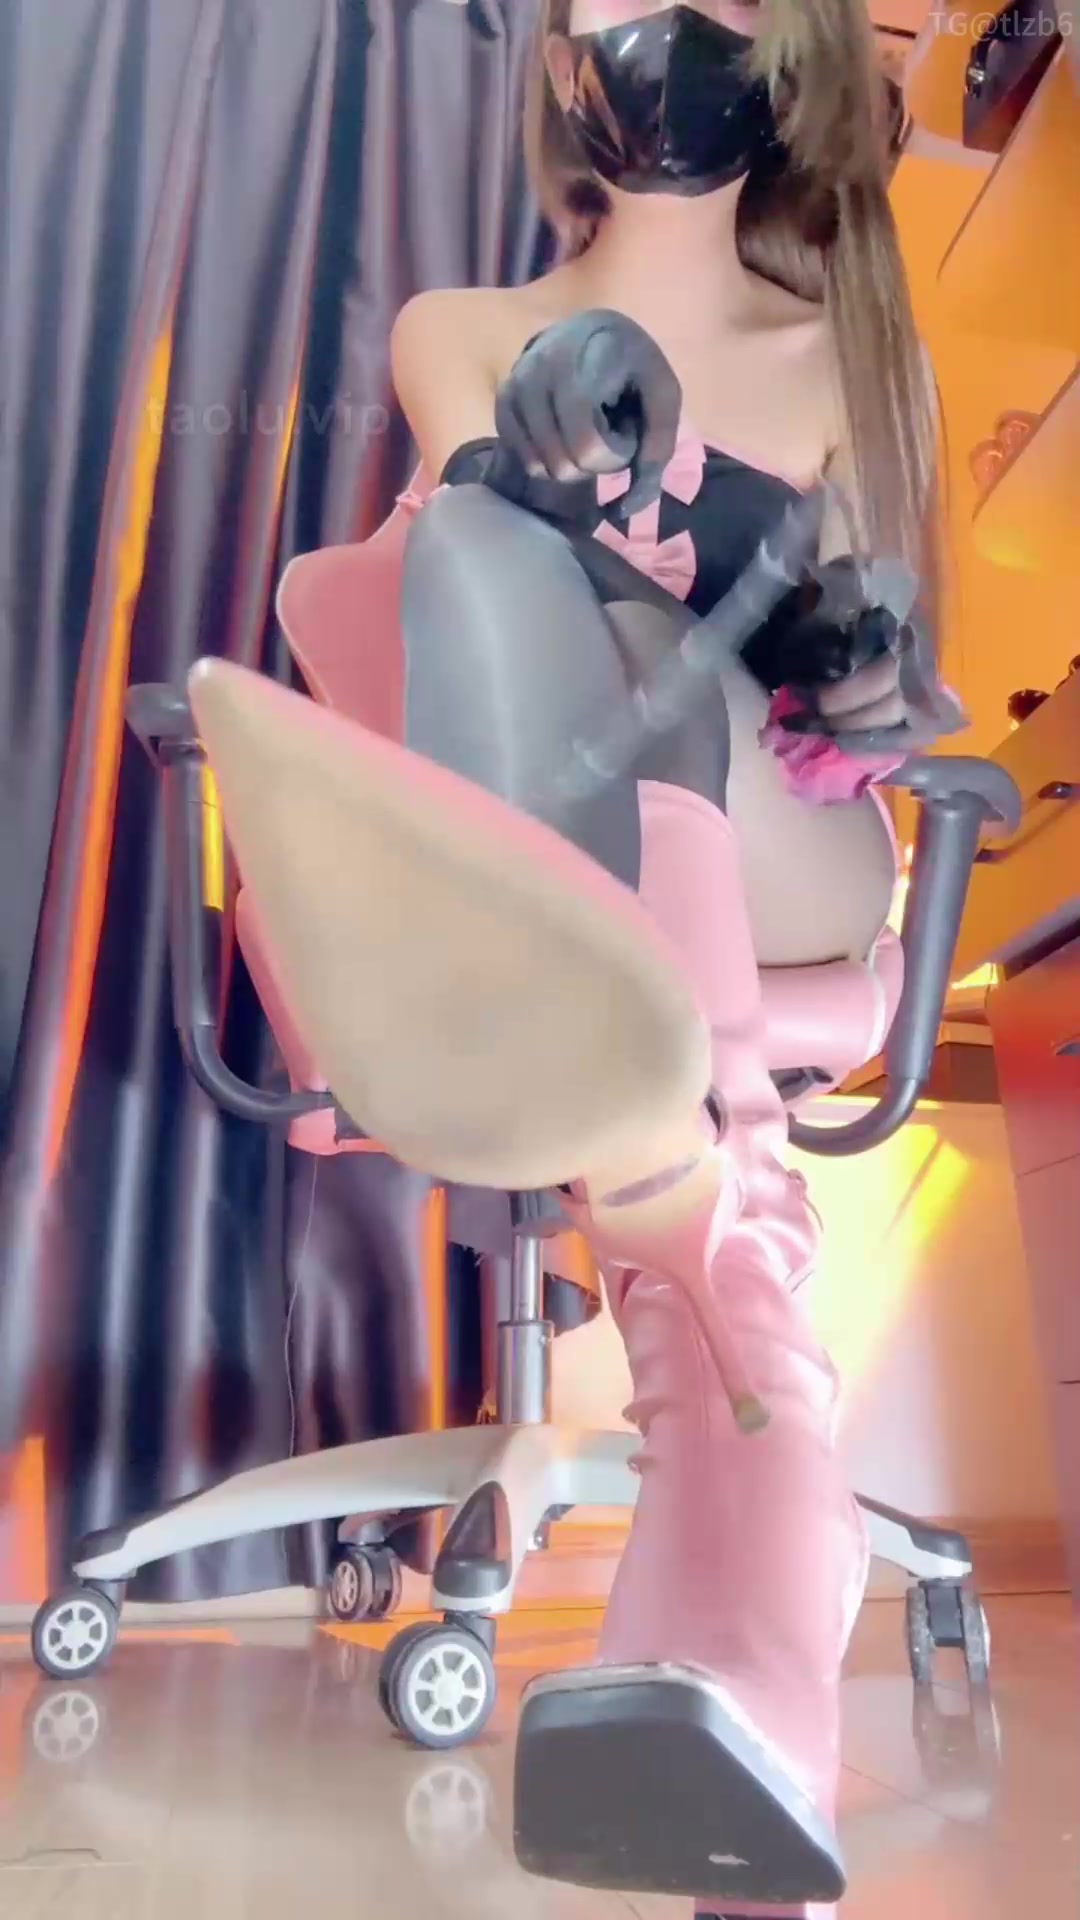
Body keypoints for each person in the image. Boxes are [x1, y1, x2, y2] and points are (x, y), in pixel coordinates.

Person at [376, 4, 960, 1915]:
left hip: (782, 845)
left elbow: (860, 692)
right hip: (580, 846)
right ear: (562, 64)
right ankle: (755, 1545)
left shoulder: (847, 350)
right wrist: (566, 476)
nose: (668, 26)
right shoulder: (460, 331)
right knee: (528, 571)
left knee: (628, 633)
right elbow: (514, 626)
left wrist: (852, 653)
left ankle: (738, 1447)